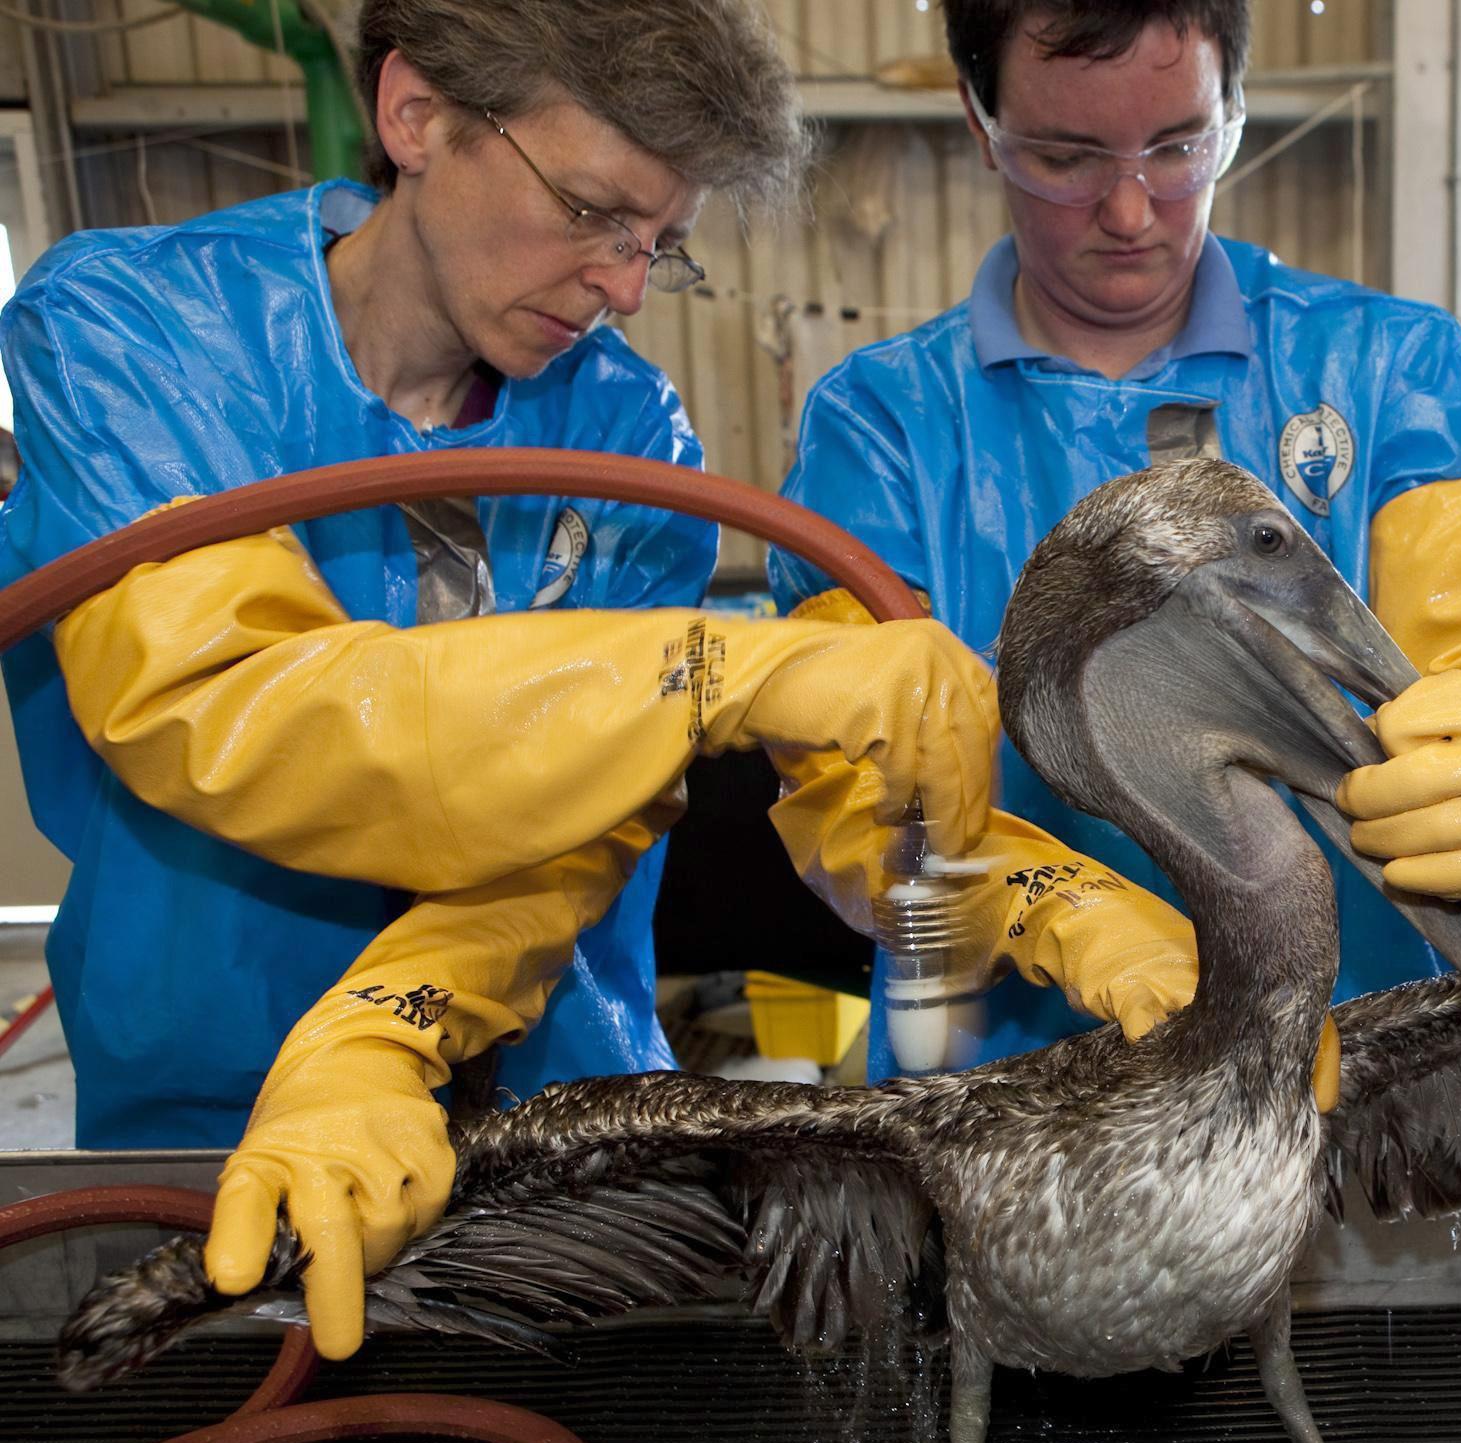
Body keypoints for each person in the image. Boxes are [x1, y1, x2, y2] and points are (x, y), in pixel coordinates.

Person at [0, 0, 1001, 1356]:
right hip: (220, 1113)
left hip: (565, 1119)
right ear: (416, 115)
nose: (624, 286)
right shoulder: (132, 332)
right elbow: (233, 705)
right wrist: (719, 668)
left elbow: (574, 828)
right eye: (592, 210)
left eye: (661, 244)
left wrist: (386, 1026)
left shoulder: (629, 433)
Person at [772, 0, 1461, 1075]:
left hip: (1380, 1067)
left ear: (1235, 110)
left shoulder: (1392, 372)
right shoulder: (881, 428)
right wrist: (1067, 917)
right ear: (981, 121)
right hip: (1011, 1092)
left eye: (1178, 146)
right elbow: (860, 792)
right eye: (1065, 156)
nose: (1129, 209)